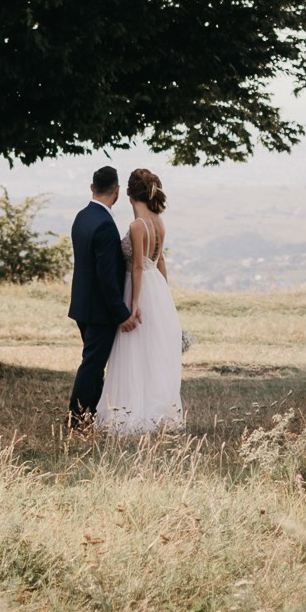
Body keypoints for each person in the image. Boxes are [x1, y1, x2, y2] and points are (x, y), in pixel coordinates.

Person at [95, 167, 184, 435]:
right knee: (152, 352)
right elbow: (160, 262)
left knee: (133, 351)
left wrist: (133, 305)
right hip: (156, 287)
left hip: (140, 288)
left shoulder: (137, 225)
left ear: (130, 194)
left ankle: (131, 415)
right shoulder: (159, 222)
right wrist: (164, 296)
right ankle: (156, 412)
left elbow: (136, 267)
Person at [67, 164, 140, 428]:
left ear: (92, 187)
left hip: (82, 305)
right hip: (99, 310)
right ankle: (75, 419)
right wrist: (121, 314)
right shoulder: (106, 226)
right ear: (117, 191)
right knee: (92, 366)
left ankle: (91, 415)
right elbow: (107, 277)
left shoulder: (82, 217)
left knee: (93, 363)